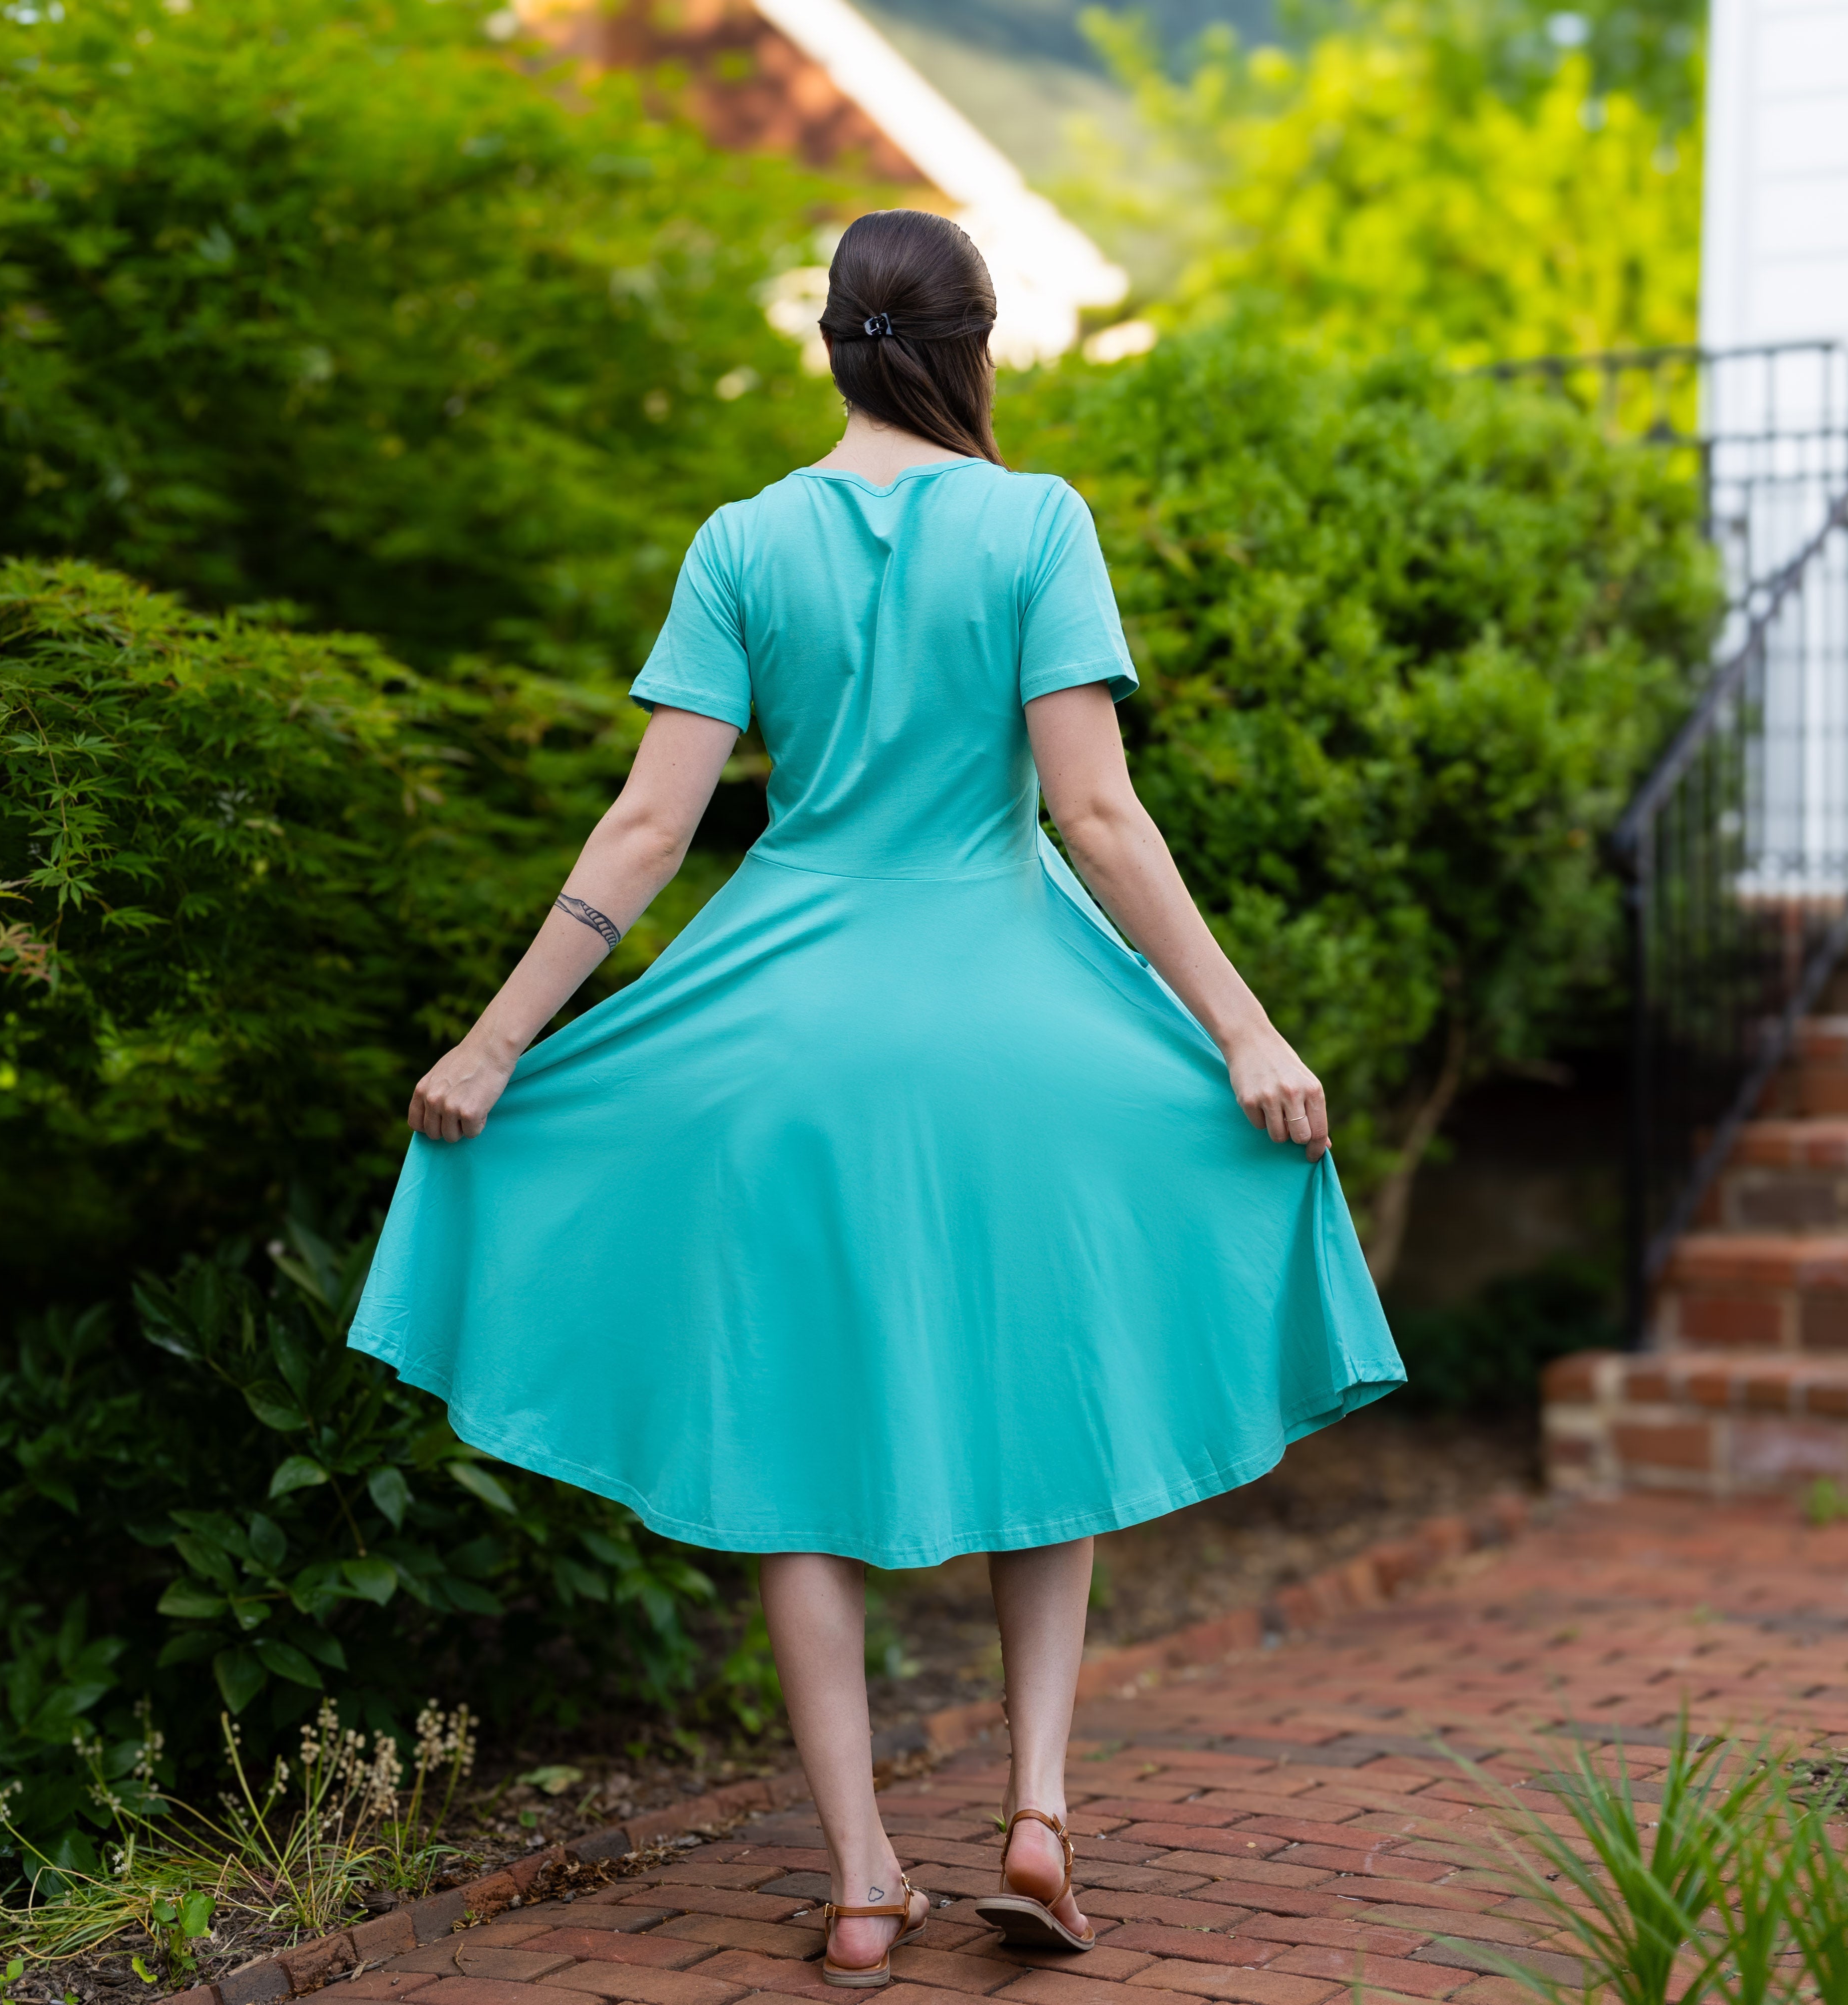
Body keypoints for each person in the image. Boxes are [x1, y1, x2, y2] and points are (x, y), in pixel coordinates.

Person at [349, 208, 1403, 1987]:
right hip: (1012, 1027)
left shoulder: (745, 539)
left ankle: (857, 1883)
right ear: (977, 347)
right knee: (1049, 1403)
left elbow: (649, 828)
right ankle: (1039, 1815)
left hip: (786, 1041)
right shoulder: (1037, 524)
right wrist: (1243, 1030)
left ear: (834, 348)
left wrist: (497, 1041)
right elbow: (1096, 816)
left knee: (791, 1450)